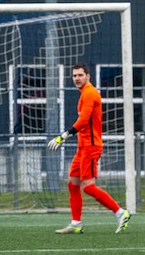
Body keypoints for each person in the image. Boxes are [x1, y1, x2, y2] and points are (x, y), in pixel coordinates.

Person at [47, 63, 132, 234]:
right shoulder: (84, 94)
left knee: (87, 186)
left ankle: (121, 213)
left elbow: (84, 120)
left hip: (91, 147)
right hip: (82, 147)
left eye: (80, 75)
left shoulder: (90, 93)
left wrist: (63, 136)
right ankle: (76, 224)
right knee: (72, 183)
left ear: (88, 76)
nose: (77, 78)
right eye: (74, 76)